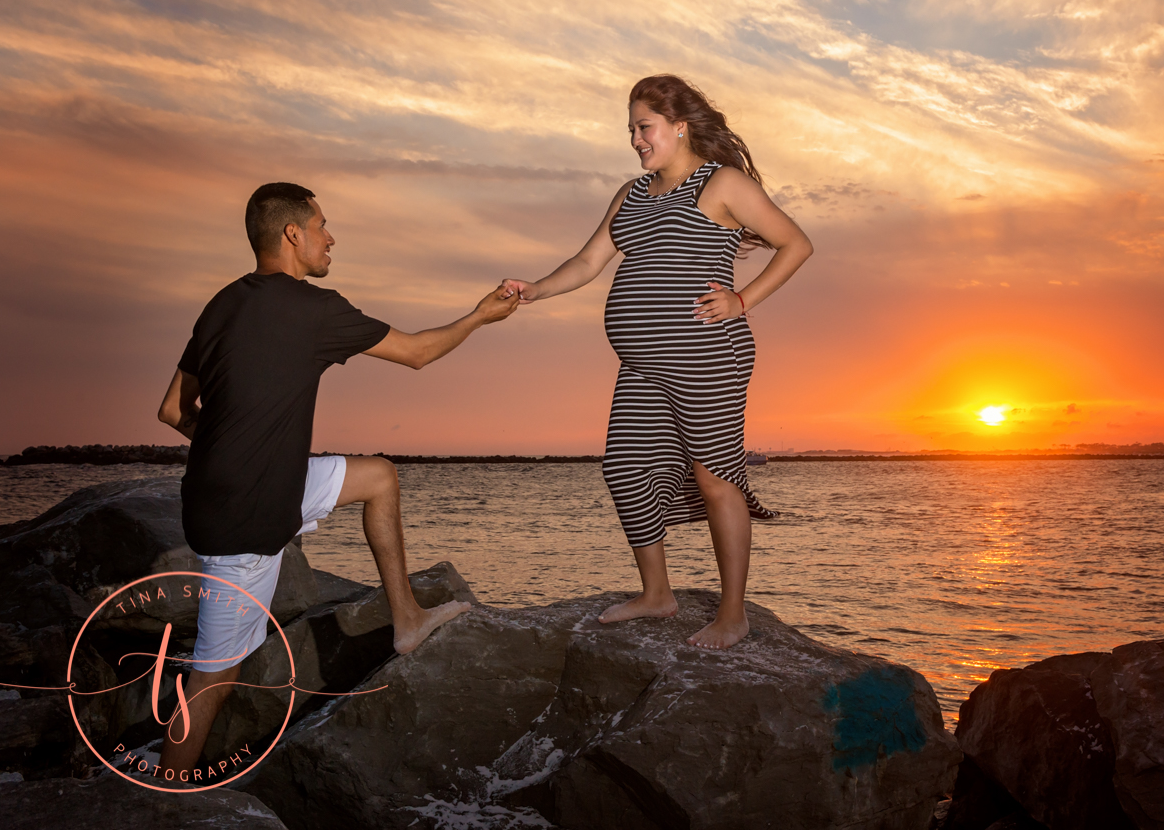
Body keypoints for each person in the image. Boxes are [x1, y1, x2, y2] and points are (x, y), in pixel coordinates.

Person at [154, 181, 519, 779]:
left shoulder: (221, 303)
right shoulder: (316, 309)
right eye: (322, 225)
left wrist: (238, 450)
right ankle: (160, 799)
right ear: (292, 235)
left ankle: (407, 619)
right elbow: (418, 352)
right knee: (212, 677)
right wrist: (482, 314)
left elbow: (172, 411)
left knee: (379, 477)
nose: (331, 237)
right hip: (243, 522)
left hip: (243, 490)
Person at [503, 75, 813, 649]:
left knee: (715, 477)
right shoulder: (631, 193)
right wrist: (537, 289)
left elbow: (796, 243)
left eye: (644, 128)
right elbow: (589, 259)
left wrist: (741, 300)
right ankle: (657, 595)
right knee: (624, 467)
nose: (636, 140)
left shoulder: (720, 184)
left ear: (679, 126)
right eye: (631, 130)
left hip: (708, 355)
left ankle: (733, 614)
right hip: (643, 365)